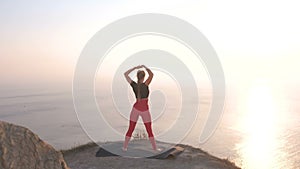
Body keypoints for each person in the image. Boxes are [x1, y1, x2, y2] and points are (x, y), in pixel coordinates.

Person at [122, 65, 159, 151]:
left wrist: (134, 68)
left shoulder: (134, 85)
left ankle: (124, 147)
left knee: (131, 128)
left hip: (135, 109)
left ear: (137, 77)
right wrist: (145, 67)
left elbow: (125, 74)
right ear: (144, 77)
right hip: (145, 110)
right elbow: (152, 75)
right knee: (149, 130)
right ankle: (155, 149)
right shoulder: (145, 84)